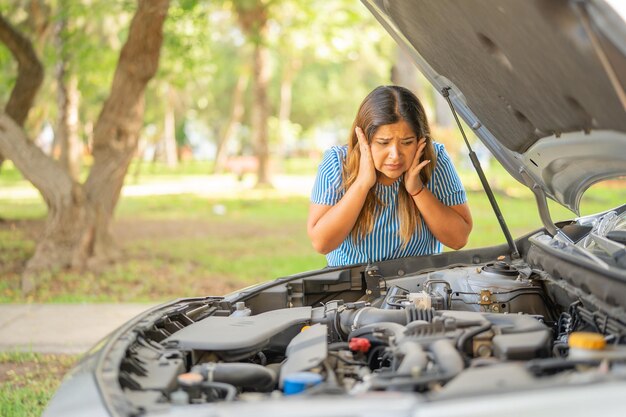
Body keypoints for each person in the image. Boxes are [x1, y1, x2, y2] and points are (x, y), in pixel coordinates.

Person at [307, 85, 472, 267]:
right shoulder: (338, 162)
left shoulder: (435, 158)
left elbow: (459, 239)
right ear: (364, 139)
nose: (395, 154)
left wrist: (417, 190)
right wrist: (362, 184)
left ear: (420, 139)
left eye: (407, 142)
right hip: (354, 287)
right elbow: (322, 243)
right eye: (383, 142)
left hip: (420, 285)